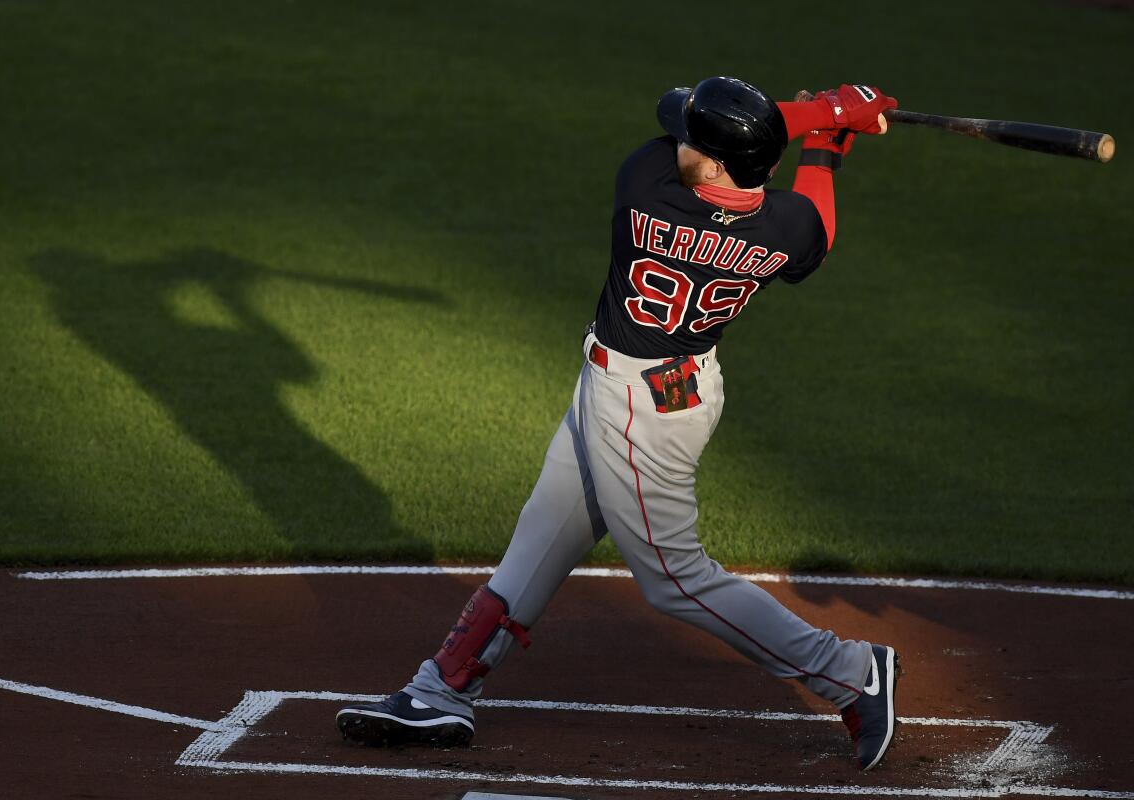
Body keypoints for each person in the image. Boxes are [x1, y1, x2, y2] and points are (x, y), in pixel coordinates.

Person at [337, 77, 902, 771]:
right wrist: (827, 148)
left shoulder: (647, 186)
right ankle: (441, 691)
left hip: (642, 413)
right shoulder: (783, 228)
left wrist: (822, 111)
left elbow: (742, 137)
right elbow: (820, 230)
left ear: (718, 161)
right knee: (543, 536)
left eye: (694, 137)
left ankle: (849, 671)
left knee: (675, 578)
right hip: (664, 388)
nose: (680, 139)